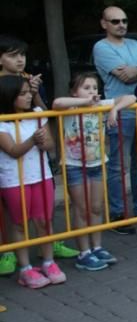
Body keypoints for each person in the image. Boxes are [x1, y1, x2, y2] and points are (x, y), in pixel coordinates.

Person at [0, 35, 77, 268]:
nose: (20, 60)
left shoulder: (29, 81)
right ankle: (8, 253)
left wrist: (33, 93)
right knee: (9, 210)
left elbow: (42, 112)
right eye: (13, 55)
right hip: (9, 159)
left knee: (43, 207)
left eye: (22, 55)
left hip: (36, 160)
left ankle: (50, 244)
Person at [52, 73, 136, 270]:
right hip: (74, 165)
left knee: (97, 207)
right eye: (86, 87)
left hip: (97, 163)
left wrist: (114, 109)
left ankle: (96, 247)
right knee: (81, 209)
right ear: (75, 91)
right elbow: (56, 102)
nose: (92, 91)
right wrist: (84, 101)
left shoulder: (100, 105)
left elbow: (131, 97)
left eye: (94, 88)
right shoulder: (71, 105)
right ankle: (84, 253)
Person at [92, 8, 137, 235]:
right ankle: (118, 213)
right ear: (104, 23)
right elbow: (124, 76)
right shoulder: (102, 47)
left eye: (124, 20)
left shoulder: (135, 43)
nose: (121, 24)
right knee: (118, 166)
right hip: (119, 112)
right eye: (115, 21)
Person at [0, 76, 64, 288]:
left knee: (44, 221)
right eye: (23, 93)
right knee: (19, 224)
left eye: (29, 92)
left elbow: (51, 145)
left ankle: (48, 262)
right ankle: (25, 268)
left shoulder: (37, 115)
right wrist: (32, 140)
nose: (29, 97)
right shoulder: (2, 121)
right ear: (9, 97)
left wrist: (44, 141)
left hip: (42, 175)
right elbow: (12, 150)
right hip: (14, 180)